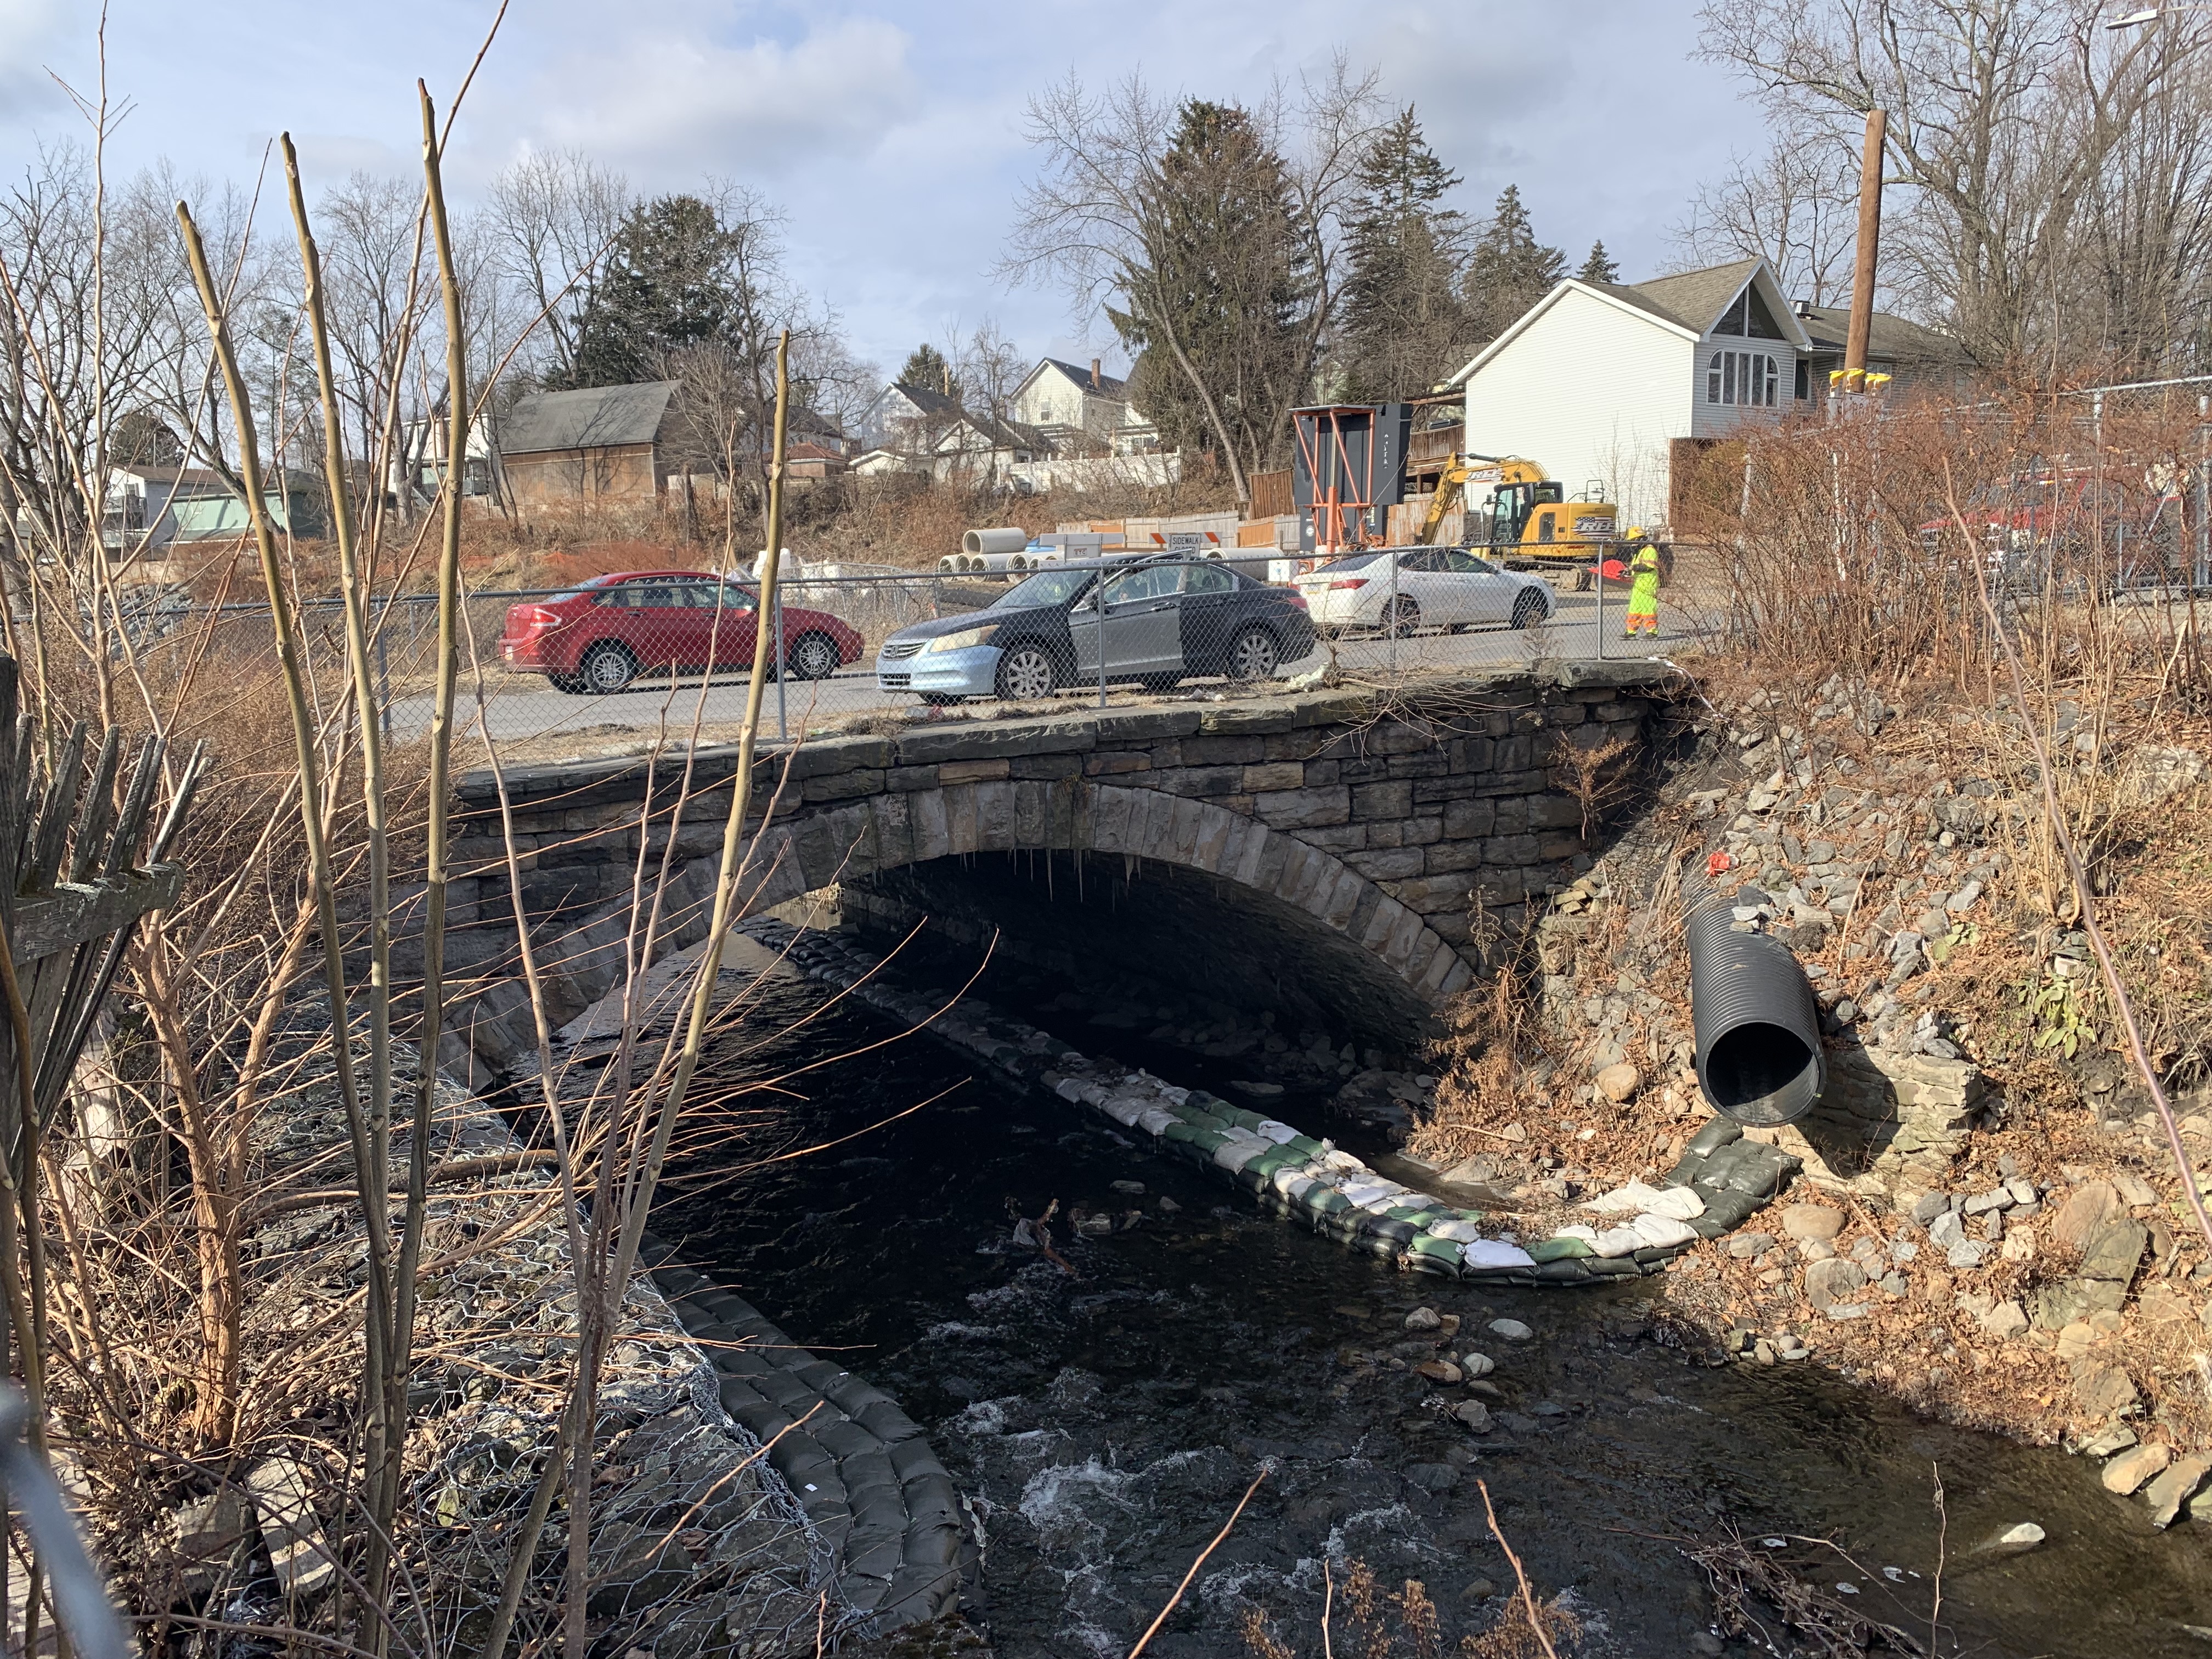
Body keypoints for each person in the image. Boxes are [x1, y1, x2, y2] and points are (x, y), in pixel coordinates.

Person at [1622, 528, 1661, 637]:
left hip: (1648, 585)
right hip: (1638, 585)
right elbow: (1636, 568)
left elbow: (1649, 567)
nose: (1632, 544)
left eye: (1634, 541)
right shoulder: (1638, 553)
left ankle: (1652, 631)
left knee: (1648, 608)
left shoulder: (1649, 550)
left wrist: (1633, 567)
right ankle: (1631, 631)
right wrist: (1628, 571)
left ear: (1640, 539)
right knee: (1635, 608)